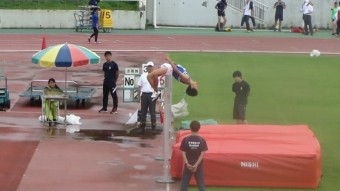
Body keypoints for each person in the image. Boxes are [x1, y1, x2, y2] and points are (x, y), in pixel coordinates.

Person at [179, 120, 208, 191]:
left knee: (184, 184)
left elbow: (183, 152)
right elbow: (202, 154)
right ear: (199, 128)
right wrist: (196, 165)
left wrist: (187, 163)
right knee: (201, 185)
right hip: (198, 166)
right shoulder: (202, 140)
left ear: (190, 128)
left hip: (188, 165)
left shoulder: (185, 140)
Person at [137, 62, 157, 134]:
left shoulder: (155, 76)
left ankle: (153, 128)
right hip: (144, 95)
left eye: (151, 66)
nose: (150, 68)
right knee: (143, 112)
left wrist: (156, 95)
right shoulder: (143, 76)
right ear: (147, 67)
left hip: (152, 95)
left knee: (152, 112)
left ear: (153, 67)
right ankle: (142, 127)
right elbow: (139, 86)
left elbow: (157, 87)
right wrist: (139, 96)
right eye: (149, 66)